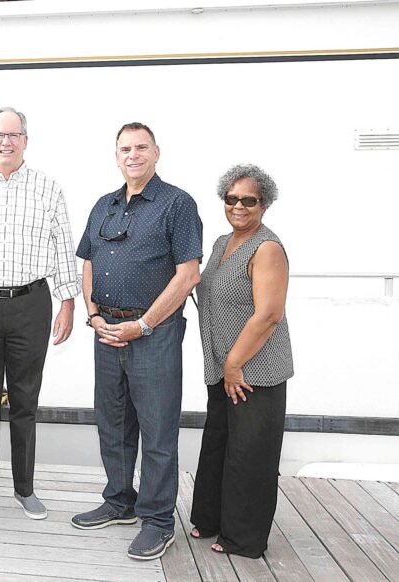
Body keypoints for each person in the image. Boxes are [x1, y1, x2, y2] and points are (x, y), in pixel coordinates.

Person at [73, 122, 202, 560]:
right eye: (125, 148)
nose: (133, 155)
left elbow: (188, 275)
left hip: (154, 335)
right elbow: (88, 262)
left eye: (141, 147)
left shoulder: (177, 204)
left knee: (158, 431)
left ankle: (158, 521)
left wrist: (144, 324)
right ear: (116, 156)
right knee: (113, 424)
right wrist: (92, 315)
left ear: (157, 152)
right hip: (106, 331)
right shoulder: (104, 205)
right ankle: (119, 501)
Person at [0, 107, 80, 521]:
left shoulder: (48, 188)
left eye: (14, 134)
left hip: (31, 304)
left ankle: (25, 488)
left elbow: (63, 247)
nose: (5, 142)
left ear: (25, 140)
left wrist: (68, 302)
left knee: (25, 400)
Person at [190, 164, 293, 558]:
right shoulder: (221, 243)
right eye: (231, 199)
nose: (238, 206)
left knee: (250, 456)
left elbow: (269, 314)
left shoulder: (267, 249)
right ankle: (212, 518)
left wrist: (234, 364)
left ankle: (243, 538)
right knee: (219, 445)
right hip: (222, 369)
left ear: (263, 205)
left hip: (255, 373)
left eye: (248, 200)